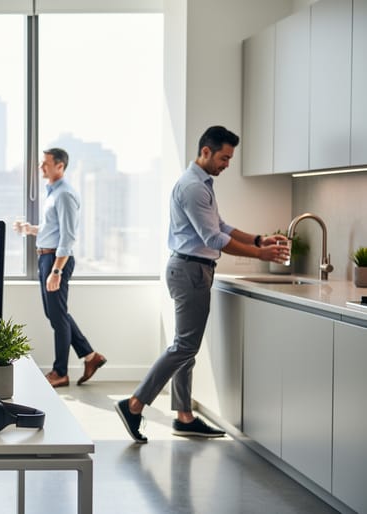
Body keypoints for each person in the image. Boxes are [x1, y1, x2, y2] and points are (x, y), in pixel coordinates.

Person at [114, 126, 289, 444]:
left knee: (186, 348)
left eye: (230, 159)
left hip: (192, 269)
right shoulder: (193, 187)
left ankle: (184, 417)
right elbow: (213, 238)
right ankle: (134, 404)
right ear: (205, 152)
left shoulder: (201, 183)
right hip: (190, 271)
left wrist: (259, 238)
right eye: (224, 157)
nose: (226, 164)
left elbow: (220, 226)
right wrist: (260, 253)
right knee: (184, 347)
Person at [15, 148, 107, 388]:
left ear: (60, 166)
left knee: (57, 317)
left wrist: (56, 270)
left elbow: (67, 237)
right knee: (57, 314)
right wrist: (30, 229)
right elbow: (52, 230)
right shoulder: (53, 194)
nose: (41, 167)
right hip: (47, 257)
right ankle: (90, 356)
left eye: (45, 163)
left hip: (56, 260)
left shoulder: (65, 195)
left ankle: (60, 372)